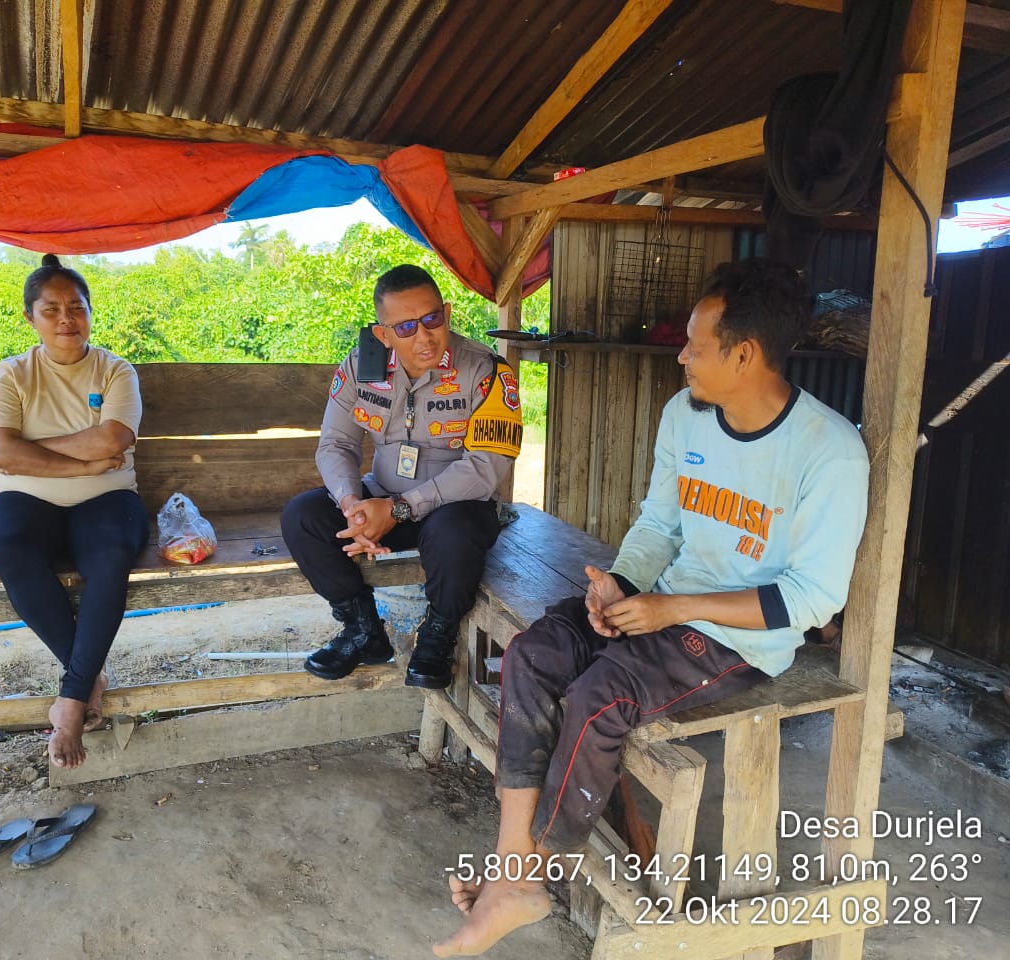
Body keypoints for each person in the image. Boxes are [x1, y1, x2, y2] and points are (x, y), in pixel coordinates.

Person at [432, 259, 870, 956]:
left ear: (745, 354)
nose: (682, 355)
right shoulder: (686, 414)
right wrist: (622, 588)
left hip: (741, 639)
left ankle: (520, 875)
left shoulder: (829, 451)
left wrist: (675, 608)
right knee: (535, 652)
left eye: (696, 345)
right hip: (662, 605)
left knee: (600, 696)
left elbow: (812, 598)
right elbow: (660, 524)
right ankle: (513, 865)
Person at [281, 264, 523, 688]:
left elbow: (486, 468)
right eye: (406, 326)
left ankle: (438, 635)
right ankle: (362, 631)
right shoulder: (362, 366)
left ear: (446, 312)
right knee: (302, 516)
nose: (424, 336)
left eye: (432, 319)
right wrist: (352, 505)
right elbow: (336, 444)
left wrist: (398, 508)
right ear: (383, 335)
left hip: (452, 507)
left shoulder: (485, 370)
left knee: (457, 534)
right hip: (379, 500)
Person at [0, 254, 149, 770]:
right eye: (50, 309)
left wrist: (35, 446)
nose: (65, 319)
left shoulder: (115, 370)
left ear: (91, 313)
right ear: (30, 318)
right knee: (6, 545)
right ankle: (85, 679)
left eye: (76, 307)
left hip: (109, 498)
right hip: (28, 499)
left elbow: (115, 437)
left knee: (111, 555)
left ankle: (71, 699)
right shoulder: (12, 374)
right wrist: (79, 465)